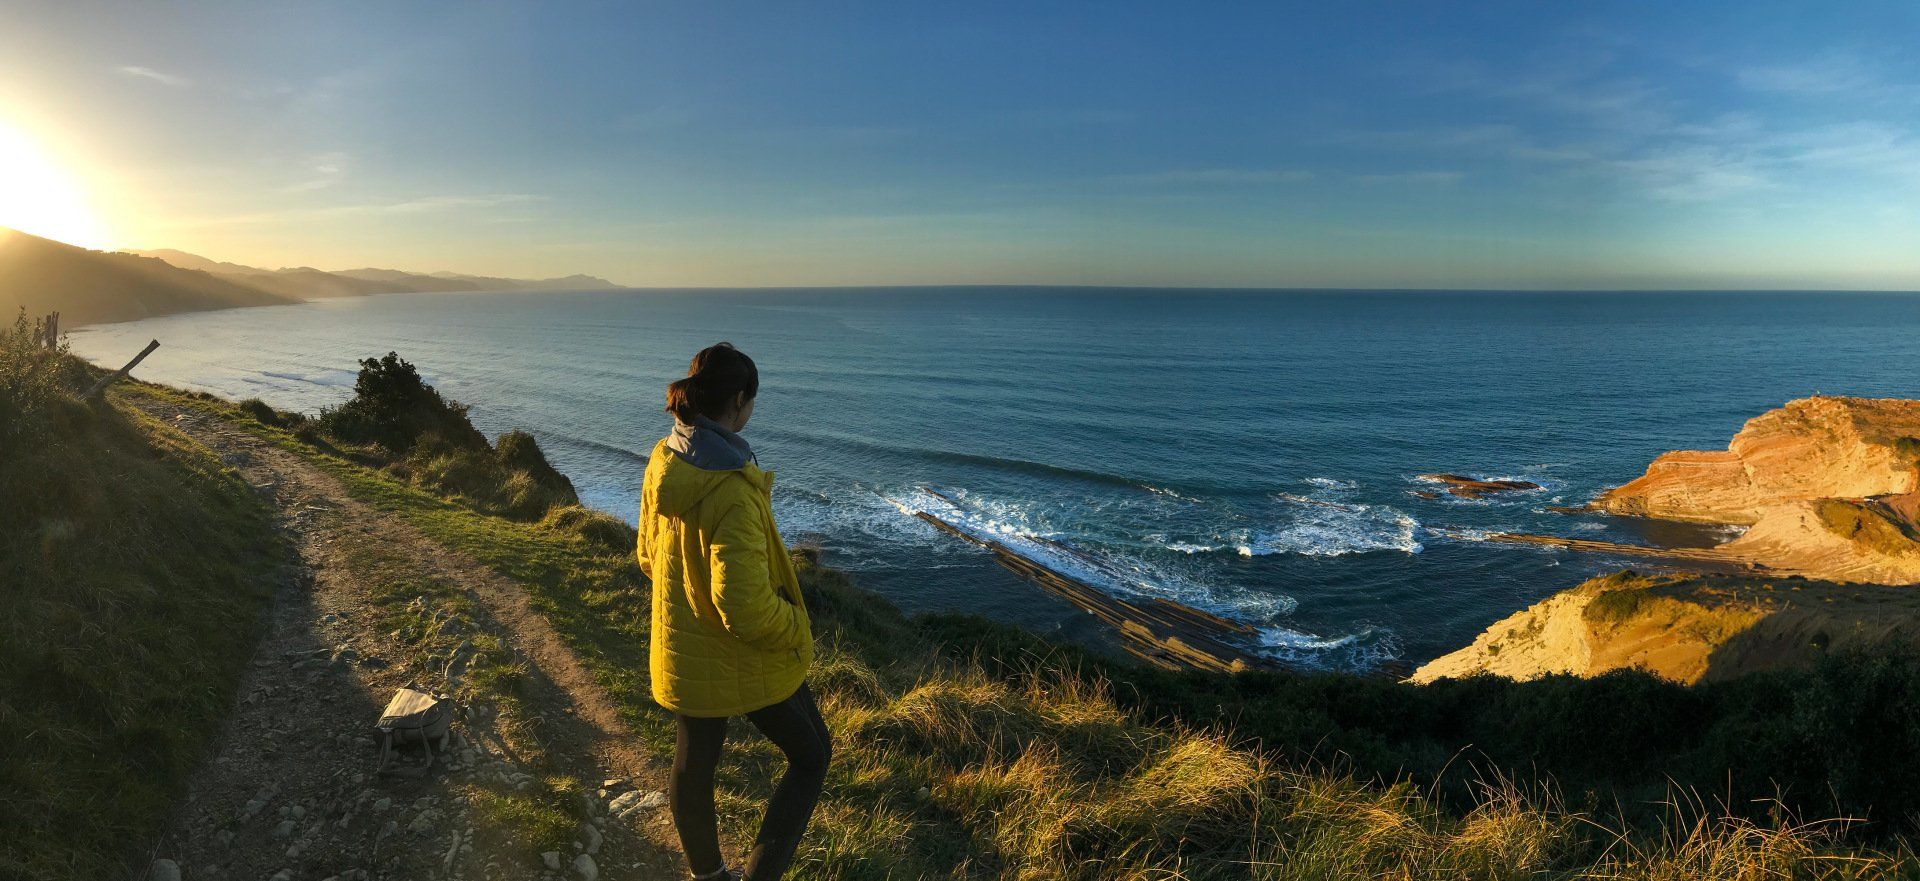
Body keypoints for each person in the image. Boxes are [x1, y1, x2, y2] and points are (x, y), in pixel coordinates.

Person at [637, 342, 829, 881]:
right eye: (751, 401)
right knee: (812, 756)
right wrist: (795, 621)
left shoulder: (665, 460)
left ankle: (710, 875)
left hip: (684, 647)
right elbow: (744, 609)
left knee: (694, 764)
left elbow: (648, 557)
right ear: (739, 401)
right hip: (739, 654)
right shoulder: (734, 489)